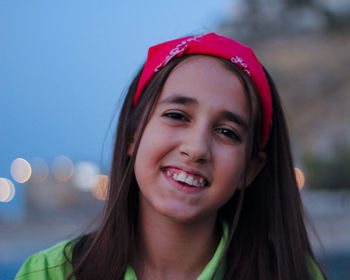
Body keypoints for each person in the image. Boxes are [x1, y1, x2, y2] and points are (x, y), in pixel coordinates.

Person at [16, 33, 327, 280]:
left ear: (250, 169)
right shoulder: (49, 273)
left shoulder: (293, 274)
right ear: (132, 135)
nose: (196, 149)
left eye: (227, 132)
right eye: (177, 115)